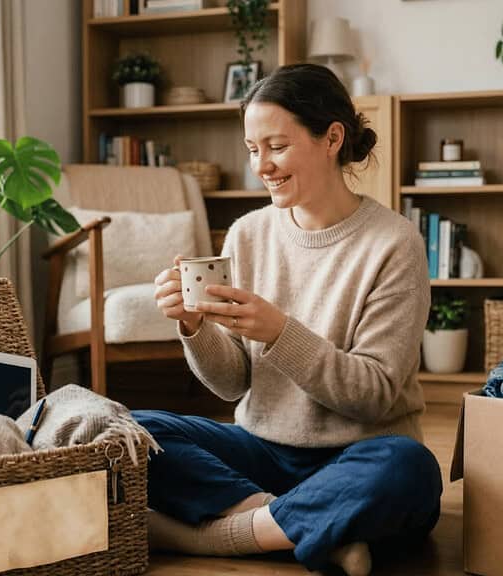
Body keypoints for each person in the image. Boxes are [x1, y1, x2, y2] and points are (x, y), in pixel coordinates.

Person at [136, 63, 442, 576]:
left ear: (332, 138)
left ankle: (220, 536)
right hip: (262, 451)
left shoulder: (394, 244)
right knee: (131, 431)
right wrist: (194, 326)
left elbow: (373, 396)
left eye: (277, 147)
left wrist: (280, 333)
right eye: (253, 150)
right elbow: (232, 384)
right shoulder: (248, 233)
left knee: (409, 470)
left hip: (358, 454)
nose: (262, 166)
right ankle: (301, 526)